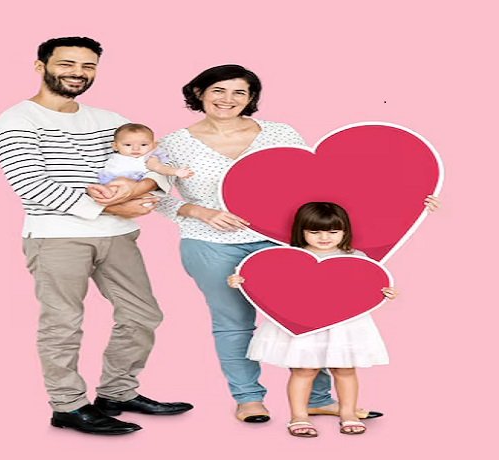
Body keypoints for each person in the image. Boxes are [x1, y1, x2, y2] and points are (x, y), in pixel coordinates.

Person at [148, 64, 383, 423]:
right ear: (199, 93)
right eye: (218, 90)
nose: (228, 99)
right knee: (233, 323)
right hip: (211, 245)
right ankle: (248, 399)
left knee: (312, 318)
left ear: (252, 98)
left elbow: (317, 181)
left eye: (239, 92)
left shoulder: (279, 133)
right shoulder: (173, 144)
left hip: (284, 243)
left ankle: (318, 399)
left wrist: (411, 199)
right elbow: (156, 197)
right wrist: (199, 211)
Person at [0, 36, 192, 436]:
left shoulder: (109, 118)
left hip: (118, 236)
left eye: (87, 67)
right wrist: (115, 205)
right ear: (40, 66)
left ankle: (116, 394)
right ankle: (67, 406)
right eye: (67, 64)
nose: (77, 74)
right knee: (62, 323)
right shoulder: (17, 119)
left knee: (142, 314)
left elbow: (153, 166)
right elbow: (30, 184)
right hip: (56, 237)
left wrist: (136, 192)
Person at [229, 202, 398, 436]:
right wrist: (241, 281)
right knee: (304, 370)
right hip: (302, 321)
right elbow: (270, 283)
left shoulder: (356, 256)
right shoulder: (288, 256)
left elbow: (368, 284)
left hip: (344, 324)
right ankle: (299, 416)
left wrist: (385, 292)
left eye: (332, 232)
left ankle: (348, 412)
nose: (324, 238)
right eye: (315, 232)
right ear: (302, 231)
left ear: (344, 232)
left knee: (345, 369)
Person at [99, 123, 194, 185]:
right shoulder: (115, 157)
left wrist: (176, 172)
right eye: (128, 145)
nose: (135, 149)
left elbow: (159, 168)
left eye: (143, 144)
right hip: (109, 182)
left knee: (122, 183)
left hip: (133, 184)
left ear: (153, 145)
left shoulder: (149, 158)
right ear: (115, 146)